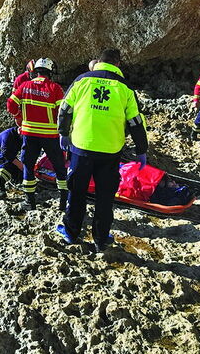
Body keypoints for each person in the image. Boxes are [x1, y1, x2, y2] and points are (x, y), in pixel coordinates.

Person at [56, 49, 149, 250]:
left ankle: (71, 233)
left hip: (81, 148)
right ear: (118, 64)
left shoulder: (81, 81)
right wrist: (142, 149)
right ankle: (100, 239)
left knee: (77, 192)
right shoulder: (124, 88)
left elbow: (65, 109)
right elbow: (135, 121)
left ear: (98, 61)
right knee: (105, 197)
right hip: (110, 152)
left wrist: (63, 133)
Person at [5, 58, 68, 211]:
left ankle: (29, 202)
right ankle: (63, 202)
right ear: (50, 72)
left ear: (35, 71)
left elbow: (10, 105)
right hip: (50, 136)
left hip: (29, 135)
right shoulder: (55, 88)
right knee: (59, 167)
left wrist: (20, 117)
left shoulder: (25, 86)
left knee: (28, 166)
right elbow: (63, 113)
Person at [0, 127, 23, 193]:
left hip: (8, 154)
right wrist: (20, 165)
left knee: (20, 173)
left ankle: (12, 179)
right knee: (7, 163)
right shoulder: (8, 135)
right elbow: (6, 154)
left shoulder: (22, 137)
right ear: (20, 130)